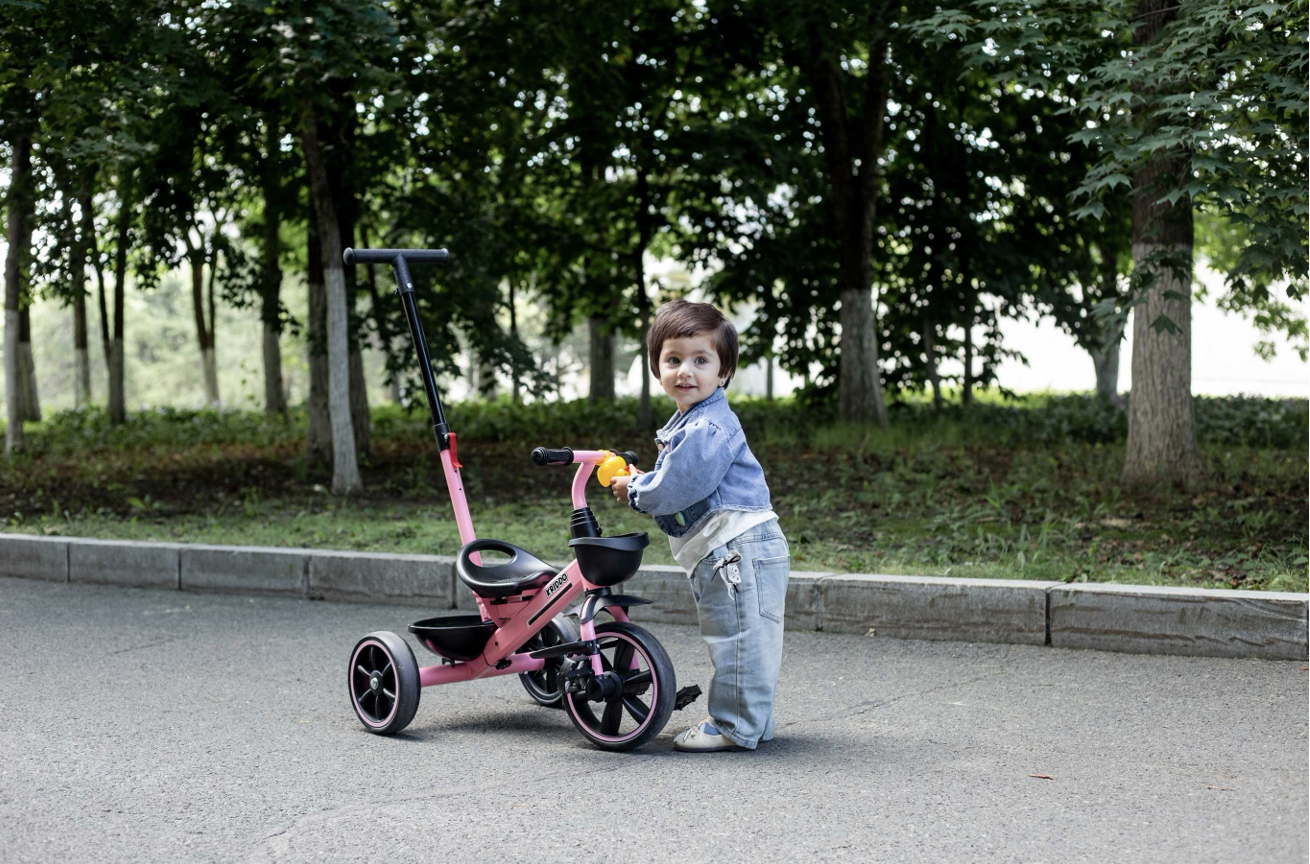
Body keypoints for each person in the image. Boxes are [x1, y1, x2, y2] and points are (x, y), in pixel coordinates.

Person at [610, 299, 790, 752]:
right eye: (673, 360)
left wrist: (635, 490)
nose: (685, 371)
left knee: (736, 637)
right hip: (741, 547)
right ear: (657, 367)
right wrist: (645, 479)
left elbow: (677, 487)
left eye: (700, 360)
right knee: (751, 636)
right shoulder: (694, 423)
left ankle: (731, 726)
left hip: (734, 548)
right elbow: (679, 478)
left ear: (723, 371)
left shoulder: (706, 427)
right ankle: (752, 722)